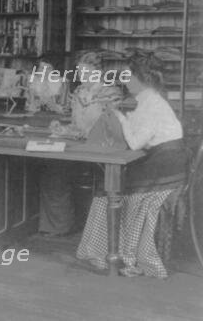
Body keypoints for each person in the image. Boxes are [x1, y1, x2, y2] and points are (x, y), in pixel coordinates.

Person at [77, 53, 186, 277]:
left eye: (127, 75)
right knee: (109, 184)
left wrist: (120, 117)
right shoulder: (149, 99)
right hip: (165, 164)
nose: (124, 80)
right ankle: (108, 252)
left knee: (109, 190)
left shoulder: (152, 103)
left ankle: (109, 255)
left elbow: (135, 142)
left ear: (140, 78)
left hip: (165, 169)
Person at [39, 52, 123, 236]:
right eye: (79, 72)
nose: (81, 76)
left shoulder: (111, 93)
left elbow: (112, 128)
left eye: (85, 72)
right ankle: (60, 226)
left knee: (101, 182)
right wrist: (64, 129)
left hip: (103, 152)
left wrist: (83, 134)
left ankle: (98, 234)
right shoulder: (79, 92)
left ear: (98, 72)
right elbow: (77, 125)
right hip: (79, 149)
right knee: (53, 171)